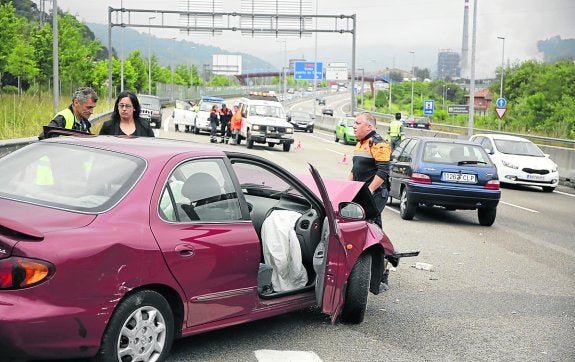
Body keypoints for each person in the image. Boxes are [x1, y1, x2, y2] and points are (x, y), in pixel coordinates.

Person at [348, 112, 392, 292]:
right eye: (354, 123)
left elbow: (383, 172)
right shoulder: (360, 143)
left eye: (358, 123)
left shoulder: (379, 143)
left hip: (375, 194)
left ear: (369, 127)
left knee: (373, 230)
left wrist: (369, 191)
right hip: (361, 193)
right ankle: (363, 269)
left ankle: (379, 276)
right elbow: (355, 169)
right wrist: (347, 190)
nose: (354, 126)